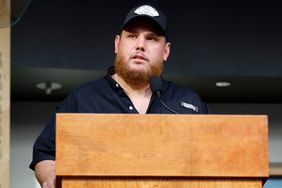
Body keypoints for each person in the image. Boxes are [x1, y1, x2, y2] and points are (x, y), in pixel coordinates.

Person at [30, 4, 208, 188]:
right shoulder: (83, 98)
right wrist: (50, 176)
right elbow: (45, 155)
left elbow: (210, 161)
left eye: (152, 39)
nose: (140, 45)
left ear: (165, 51)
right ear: (117, 44)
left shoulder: (189, 103)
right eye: (132, 36)